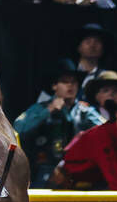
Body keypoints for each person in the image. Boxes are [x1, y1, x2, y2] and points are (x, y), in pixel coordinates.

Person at [15, 59, 103, 188]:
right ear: (54, 86)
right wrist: (48, 111)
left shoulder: (86, 111)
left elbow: (106, 130)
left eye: (73, 82)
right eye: (65, 82)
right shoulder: (41, 108)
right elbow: (18, 129)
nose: (70, 86)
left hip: (77, 173)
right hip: (44, 172)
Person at [75, 22, 112, 90]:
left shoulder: (106, 77)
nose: (92, 45)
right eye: (88, 41)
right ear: (79, 47)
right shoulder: (68, 72)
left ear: (103, 49)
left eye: (97, 42)